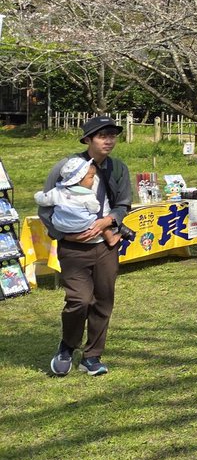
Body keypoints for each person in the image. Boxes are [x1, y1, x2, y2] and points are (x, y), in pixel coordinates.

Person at [40, 116, 132, 377]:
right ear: (87, 140)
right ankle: (67, 346)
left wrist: (108, 220)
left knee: (103, 301)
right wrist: (64, 236)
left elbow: (123, 204)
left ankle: (92, 356)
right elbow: (45, 207)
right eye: (102, 136)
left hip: (105, 246)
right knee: (78, 300)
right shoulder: (66, 166)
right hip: (73, 248)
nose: (109, 141)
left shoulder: (118, 168)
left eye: (112, 135)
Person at [34, 158, 121, 248]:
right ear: (78, 179)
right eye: (91, 177)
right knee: (100, 221)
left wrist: (38, 195)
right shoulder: (87, 195)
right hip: (84, 225)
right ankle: (111, 239)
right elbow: (95, 209)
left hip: (60, 225)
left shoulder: (58, 191)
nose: (93, 180)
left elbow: (43, 200)